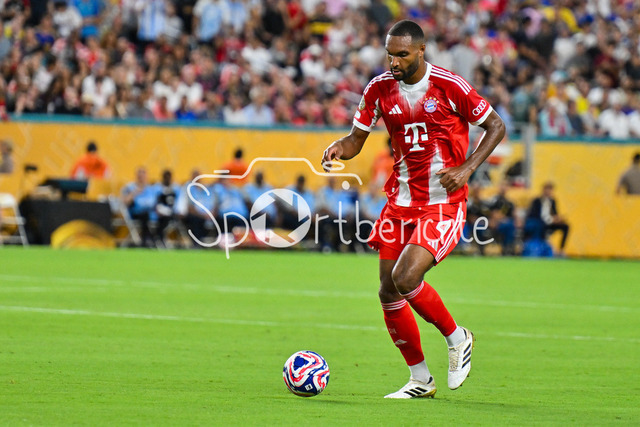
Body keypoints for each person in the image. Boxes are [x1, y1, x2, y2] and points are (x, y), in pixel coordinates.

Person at [321, 20, 505, 399]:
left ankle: (457, 337)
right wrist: (339, 147)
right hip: (400, 202)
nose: (394, 62)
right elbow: (356, 139)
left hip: (442, 202)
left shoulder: (449, 86)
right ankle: (420, 379)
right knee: (388, 291)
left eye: (402, 55)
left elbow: (496, 126)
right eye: (390, 54)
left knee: (406, 278)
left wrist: (467, 168)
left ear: (421, 50)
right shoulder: (378, 88)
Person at [526, 182, 570, 255]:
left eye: (550, 190)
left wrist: (558, 219)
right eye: (547, 189)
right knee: (540, 225)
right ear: (543, 190)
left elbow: (555, 213)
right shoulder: (537, 201)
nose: (548, 192)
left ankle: (561, 250)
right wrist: (550, 219)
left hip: (550, 223)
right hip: (540, 222)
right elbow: (534, 214)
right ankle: (542, 248)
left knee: (566, 226)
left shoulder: (552, 201)